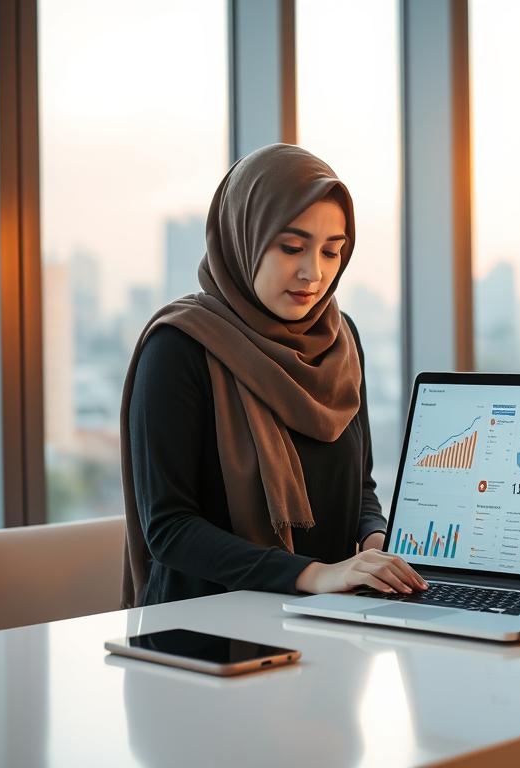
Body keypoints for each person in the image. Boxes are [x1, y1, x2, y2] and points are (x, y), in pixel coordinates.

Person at [119, 143, 427, 608]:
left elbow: (359, 487)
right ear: (244, 236)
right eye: (291, 247)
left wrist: (373, 543)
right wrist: (312, 574)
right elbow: (169, 528)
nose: (313, 273)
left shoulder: (341, 341)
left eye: (332, 251)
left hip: (328, 619)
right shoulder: (179, 346)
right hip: (206, 631)